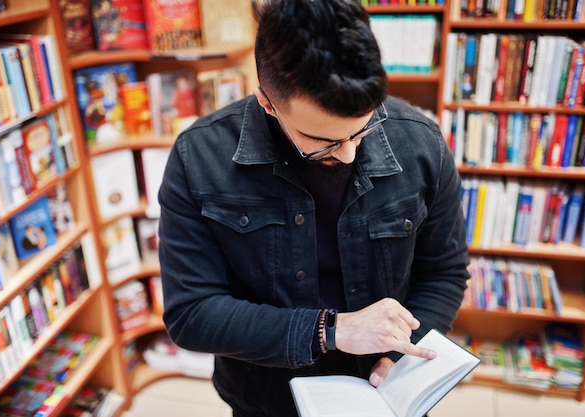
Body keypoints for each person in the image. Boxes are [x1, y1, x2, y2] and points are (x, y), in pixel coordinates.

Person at [157, 1, 470, 416]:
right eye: (323, 142)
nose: (347, 154)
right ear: (267, 102)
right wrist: (331, 331)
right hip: (267, 398)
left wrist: (399, 355)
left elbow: (443, 272)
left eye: (364, 129)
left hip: (384, 393)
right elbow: (192, 313)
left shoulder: (422, 143)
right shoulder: (198, 157)